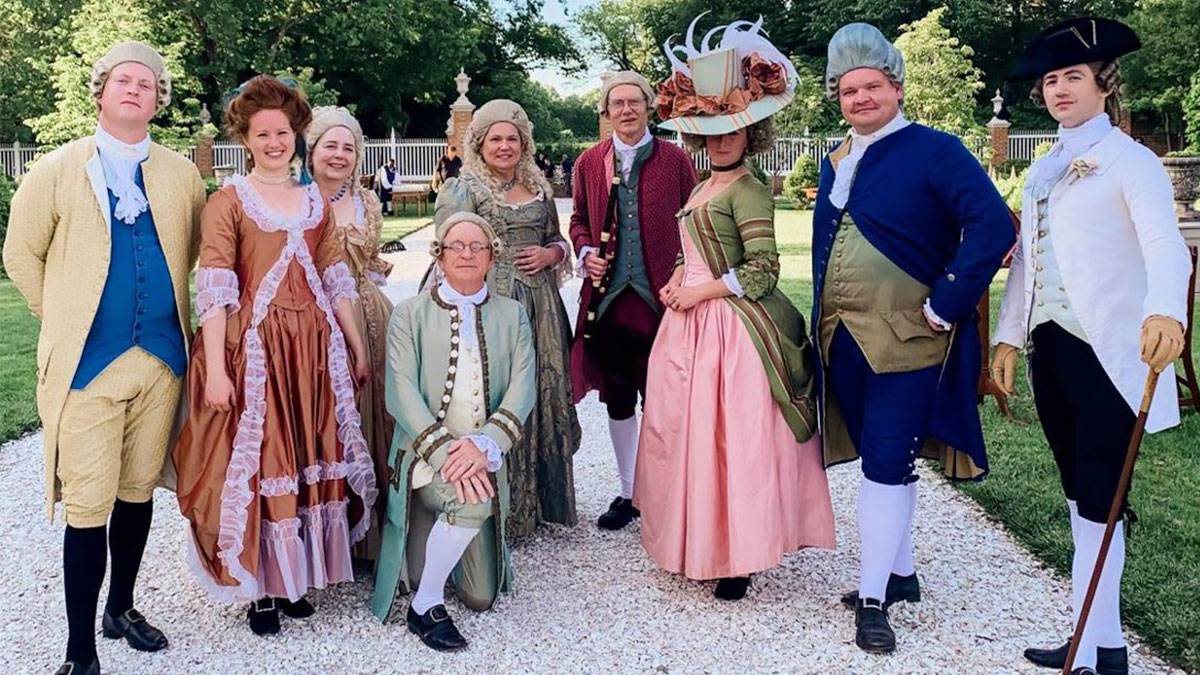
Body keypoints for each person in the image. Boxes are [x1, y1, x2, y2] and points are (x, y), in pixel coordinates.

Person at [995, 17, 1192, 675]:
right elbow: (1028, 257)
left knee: (1102, 493)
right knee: (1083, 496)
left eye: (1072, 76)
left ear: (1103, 83)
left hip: (1109, 351)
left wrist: (1167, 309)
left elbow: (1166, 244)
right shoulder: (1047, 165)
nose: (1059, 89)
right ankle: (1102, 645)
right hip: (1052, 352)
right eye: (1051, 79)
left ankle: (1096, 648)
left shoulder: (1132, 162)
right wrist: (1005, 336)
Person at [3, 42, 205, 675]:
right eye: (124, 80)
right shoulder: (56, 170)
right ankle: (79, 651)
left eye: (148, 84)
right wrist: (60, 319)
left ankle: (120, 608)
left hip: (162, 361)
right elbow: (20, 254)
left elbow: (195, 251)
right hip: (87, 368)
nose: (135, 90)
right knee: (88, 507)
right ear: (101, 89)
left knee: (137, 493)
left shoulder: (182, 175)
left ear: (158, 99)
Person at [813, 24, 1015, 654]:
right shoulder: (838, 158)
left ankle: (873, 600)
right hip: (843, 336)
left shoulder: (937, 150)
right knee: (886, 460)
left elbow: (990, 225)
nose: (861, 98)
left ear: (896, 88)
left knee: (883, 461)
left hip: (909, 337)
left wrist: (945, 303)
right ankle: (900, 574)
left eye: (872, 86)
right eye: (849, 90)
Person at [634, 16, 836, 601]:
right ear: (699, 135)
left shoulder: (749, 187)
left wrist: (699, 290)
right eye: (713, 130)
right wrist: (677, 278)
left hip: (731, 325)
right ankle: (695, 536)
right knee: (688, 434)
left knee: (730, 438)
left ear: (752, 132)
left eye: (733, 130)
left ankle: (737, 556)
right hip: (691, 318)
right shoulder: (702, 184)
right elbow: (694, 249)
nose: (722, 139)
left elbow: (764, 270)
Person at [171, 75, 377, 636]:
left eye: (282, 132)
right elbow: (213, 287)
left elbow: (336, 278)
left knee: (305, 453)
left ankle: (290, 581)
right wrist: (215, 368)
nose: (273, 142)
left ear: (296, 135)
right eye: (262, 134)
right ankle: (256, 587)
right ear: (246, 138)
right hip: (254, 352)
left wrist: (355, 346)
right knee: (263, 458)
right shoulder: (228, 202)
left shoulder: (315, 199)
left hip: (312, 350)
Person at [371, 211, 536, 652]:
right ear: (439, 256)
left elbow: (523, 389)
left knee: (481, 597)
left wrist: (485, 446)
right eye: (455, 246)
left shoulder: (513, 315)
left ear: (491, 257)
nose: (466, 254)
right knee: (475, 498)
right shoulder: (409, 314)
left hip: (481, 455)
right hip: (427, 458)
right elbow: (401, 393)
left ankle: (448, 537)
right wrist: (447, 454)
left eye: (476, 246)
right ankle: (424, 606)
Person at [432, 99, 581, 538]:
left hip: (540, 306)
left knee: (537, 393)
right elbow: (449, 249)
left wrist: (551, 253)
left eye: (511, 138)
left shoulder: (539, 186)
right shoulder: (464, 188)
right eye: (495, 138)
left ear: (524, 143)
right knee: (492, 396)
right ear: (479, 142)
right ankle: (493, 510)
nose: (504, 146)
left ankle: (537, 504)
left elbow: (557, 240)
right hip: (490, 307)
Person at [569, 71, 696, 530]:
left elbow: (695, 225)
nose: (626, 110)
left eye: (634, 102)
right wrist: (586, 254)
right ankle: (629, 492)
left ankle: (671, 492)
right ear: (607, 111)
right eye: (617, 103)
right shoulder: (588, 163)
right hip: (610, 303)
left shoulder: (676, 160)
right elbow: (579, 220)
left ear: (649, 107)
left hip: (664, 301)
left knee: (667, 401)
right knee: (619, 399)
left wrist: (683, 274)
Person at [307, 105, 396, 561]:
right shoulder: (294, 199)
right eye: (330, 145)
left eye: (348, 147)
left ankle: (370, 537)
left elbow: (373, 260)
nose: (339, 155)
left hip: (369, 314)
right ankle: (327, 537)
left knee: (374, 415)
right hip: (313, 321)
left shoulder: (366, 201)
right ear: (312, 148)